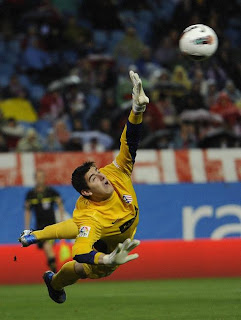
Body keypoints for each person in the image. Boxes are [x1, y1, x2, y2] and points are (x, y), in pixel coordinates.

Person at [19, 71, 149, 304]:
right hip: (105, 253)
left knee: (67, 229)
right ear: (87, 192)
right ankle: (54, 283)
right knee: (79, 268)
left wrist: (137, 111)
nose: (102, 176)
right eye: (94, 178)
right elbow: (80, 249)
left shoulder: (116, 173)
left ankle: (39, 241)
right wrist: (106, 260)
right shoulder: (91, 219)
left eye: (98, 172)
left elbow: (129, 142)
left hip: (119, 239)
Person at [24, 169, 65, 272]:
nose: (40, 179)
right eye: (38, 177)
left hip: (52, 226)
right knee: (47, 249)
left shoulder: (51, 192)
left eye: (41, 177)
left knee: (47, 245)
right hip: (39, 227)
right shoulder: (30, 194)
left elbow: (60, 205)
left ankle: (54, 270)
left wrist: (62, 220)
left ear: (44, 178)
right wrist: (27, 228)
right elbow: (27, 211)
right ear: (35, 179)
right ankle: (52, 266)